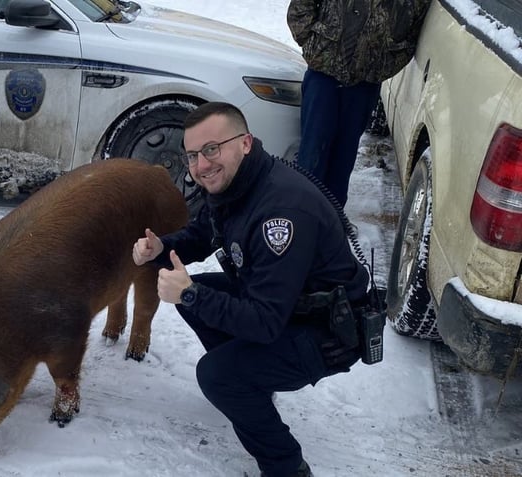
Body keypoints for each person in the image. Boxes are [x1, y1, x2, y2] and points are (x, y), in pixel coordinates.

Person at [132, 102, 370, 477]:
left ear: (244, 142)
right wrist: (162, 247)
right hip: (290, 305)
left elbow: (264, 322)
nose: (201, 165)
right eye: (193, 155)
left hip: (328, 332)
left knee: (216, 373)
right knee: (198, 304)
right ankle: (248, 386)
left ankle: (286, 467)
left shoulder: (282, 212)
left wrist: (190, 292)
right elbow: (203, 233)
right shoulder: (238, 182)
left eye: (212, 149)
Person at [287, 0, 430, 207]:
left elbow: (411, 36)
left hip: (364, 86)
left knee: (343, 159)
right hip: (323, 77)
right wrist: (314, 45)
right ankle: (299, 217)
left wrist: (381, 68)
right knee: (312, 155)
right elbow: (301, 7)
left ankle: (332, 223)